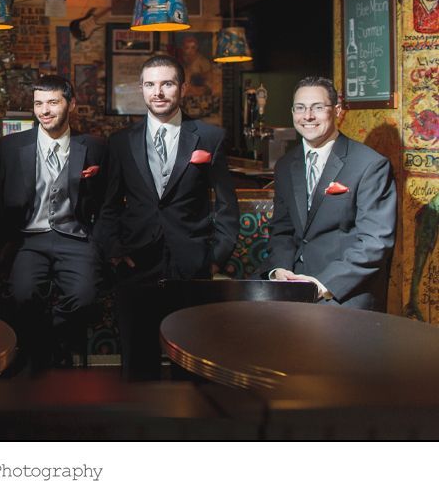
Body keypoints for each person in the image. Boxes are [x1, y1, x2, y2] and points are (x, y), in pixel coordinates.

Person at [94, 54, 238, 380]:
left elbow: (227, 207)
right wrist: (115, 252)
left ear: (183, 88)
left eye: (167, 83)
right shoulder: (120, 142)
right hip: (135, 265)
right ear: (141, 89)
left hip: (191, 266)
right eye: (150, 84)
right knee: (138, 366)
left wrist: (214, 258)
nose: (158, 92)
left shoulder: (209, 138)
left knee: (190, 365)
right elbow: (109, 208)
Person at [0, 76, 108, 370]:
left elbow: (107, 200)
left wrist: (98, 241)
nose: (45, 110)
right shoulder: (9, 147)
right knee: (22, 295)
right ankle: (50, 353)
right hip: (29, 239)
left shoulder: (95, 147)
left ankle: (45, 346)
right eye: (39, 103)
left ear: (71, 104)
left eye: (53, 102)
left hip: (76, 237)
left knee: (85, 299)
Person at [262, 76, 397, 310]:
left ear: (336, 111)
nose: (308, 116)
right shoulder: (285, 164)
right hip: (294, 289)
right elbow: (282, 229)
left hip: (345, 294)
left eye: (317, 108)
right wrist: (279, 270)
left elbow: (375, 241)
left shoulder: (370, 164)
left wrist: (322, 283)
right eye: (300, 108)